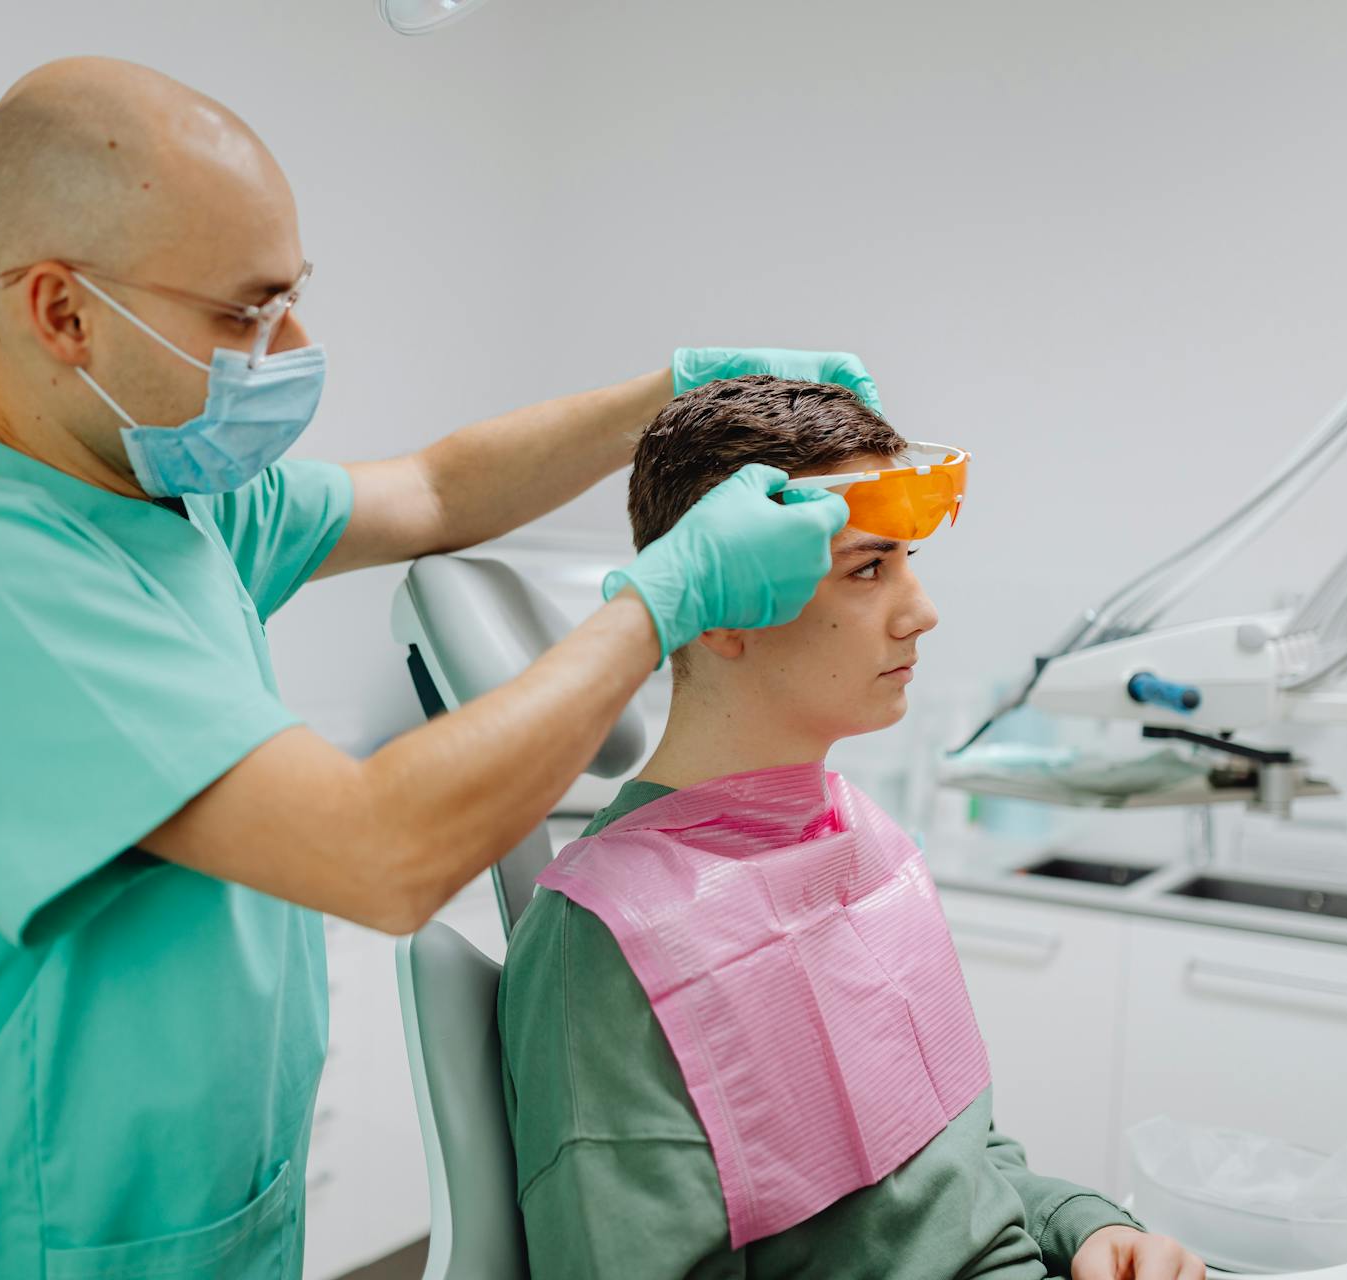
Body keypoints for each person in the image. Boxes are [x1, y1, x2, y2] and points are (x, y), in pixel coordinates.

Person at [0, 56, 878, 1279]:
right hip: (33, 1242)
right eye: (245, 312)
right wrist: (664, 597)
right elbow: (380, 852)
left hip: (205, 1222)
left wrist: (671, 395)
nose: (294, 345)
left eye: (294, 297)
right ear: (62, 312)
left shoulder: (164, 499)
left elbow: (432, 489)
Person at [498, 377, 1206, 1280]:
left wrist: (1088, 1226)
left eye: (906, 561)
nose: (921, 611)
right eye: (868, 569)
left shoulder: (856, 838)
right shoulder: (613, 937)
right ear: (721, 605)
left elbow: (961, 1172)